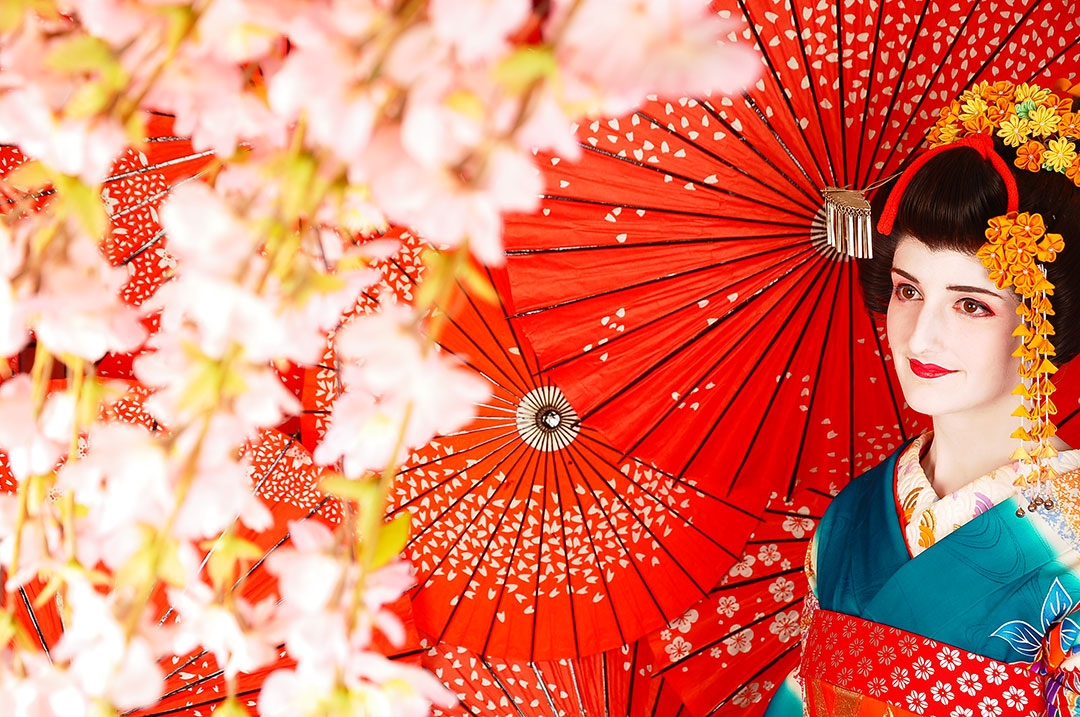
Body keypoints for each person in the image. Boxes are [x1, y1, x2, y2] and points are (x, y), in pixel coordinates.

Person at [765, 80, 1080, 717]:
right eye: (909, 291)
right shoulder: (849, 518)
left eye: (970, 304)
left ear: (1049, 320)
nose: (922, 334)